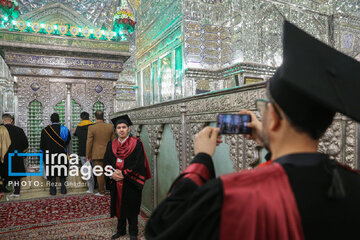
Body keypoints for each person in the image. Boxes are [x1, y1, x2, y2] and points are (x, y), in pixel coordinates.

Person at [145, 21, 360, 240]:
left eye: (264, 106)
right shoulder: (352, 184)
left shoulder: (235, 195)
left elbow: (162, 226)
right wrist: (269, 141)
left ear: (274, 119)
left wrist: (201, 159)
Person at [104, 114, 151, 240]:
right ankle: (121, 230)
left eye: (124, 127)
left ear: (129, 129)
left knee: (132, 206)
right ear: (116, 130)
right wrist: (112, 174)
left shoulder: (136, 144)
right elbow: (106, 161)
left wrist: (124, 174)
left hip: (131, 181)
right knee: (118, 205)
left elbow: (139, 163)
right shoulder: (111, 145)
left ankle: (133, 232)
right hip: (115, 181)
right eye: (118, 127)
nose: (121, 130)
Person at [40, 113, 71, 195]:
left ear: (51, 120)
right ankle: (63, 190)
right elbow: (67, 142)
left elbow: (42, 145)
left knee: (51, 173)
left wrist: (43, 155)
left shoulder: (45, 130)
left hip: (49, 155)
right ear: (59, 119)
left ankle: (52, 190)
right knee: (62, 173)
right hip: (61, 154)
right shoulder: (65, 129)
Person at [86, 110, 115, 196]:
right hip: (109, 154)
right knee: (108, 171)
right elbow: (113, 141)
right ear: (103, 117)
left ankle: (101, 191)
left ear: (95, 117)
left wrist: (88, 155)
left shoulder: (92, 128)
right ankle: (109, 188)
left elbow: (89, 142)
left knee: (99, 173)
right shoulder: (110, 127)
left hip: (97, 154)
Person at [0, 114, 28, 197]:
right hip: (16, 156)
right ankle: (16, 192)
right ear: (11, 120)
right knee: (16, 175)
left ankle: (2, 191)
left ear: (3, 120)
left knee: (4, 174)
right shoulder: (19, 130)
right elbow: (25, 144)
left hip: (4, 157)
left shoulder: (1, 130)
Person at [74, 111, 94, 193]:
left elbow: (75, 134)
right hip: (93, 151)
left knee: (87, 170)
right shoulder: (93, 125)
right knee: (95, 169)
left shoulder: (79, 127)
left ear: (81, 118)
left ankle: (90, 189)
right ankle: (98, 187)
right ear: (89, 117)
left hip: (83, 152)